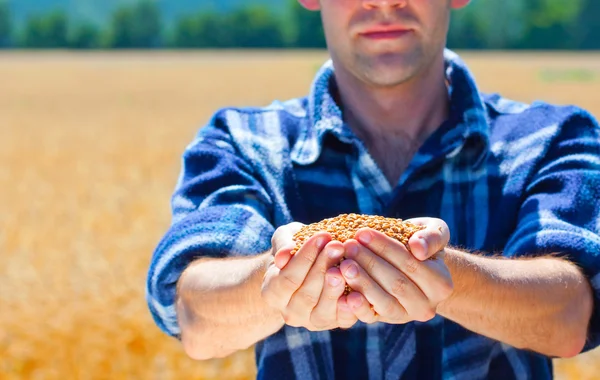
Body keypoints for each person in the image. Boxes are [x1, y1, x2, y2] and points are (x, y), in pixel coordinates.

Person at [146, 0, 600, 379]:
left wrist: (450, 277)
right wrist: (276, 279)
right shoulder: (242, 141)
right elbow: (194, 315)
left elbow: (573, 316)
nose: (383, 4)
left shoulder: (552, 138)